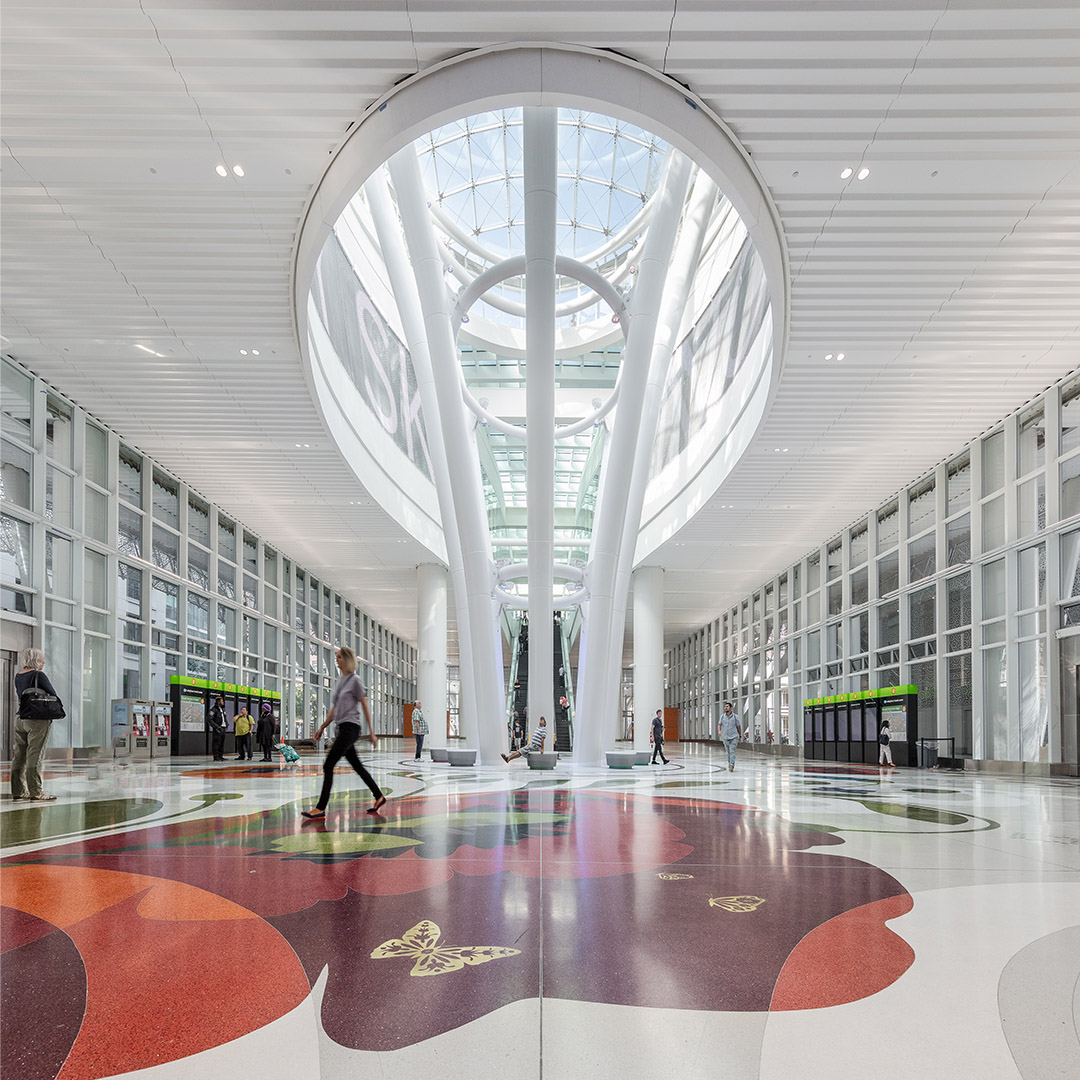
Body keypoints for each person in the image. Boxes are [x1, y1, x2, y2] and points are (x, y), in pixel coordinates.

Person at [302, 646, 385, 819]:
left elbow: (364, 705)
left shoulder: (355, 680)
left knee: (328, 764)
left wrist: (371, 731)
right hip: (341, 729)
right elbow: (335, 708)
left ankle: (320, 808)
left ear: (346, 659)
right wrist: (322, 726)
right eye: (336, 656)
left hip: (351, 728)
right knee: (358, 766)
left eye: (339, 657)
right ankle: (379, 796)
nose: (336, 659)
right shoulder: (339, 681)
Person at [11, 648, 61, 801]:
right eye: (42, 659)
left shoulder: (18, 675)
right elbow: (53, 694)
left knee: (19, 756)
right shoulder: (39, 675)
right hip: (37, 721)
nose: (44, 662)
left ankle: (18, 791)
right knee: (35, 755)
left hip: (20, 719)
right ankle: (36, 792)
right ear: (37, 660)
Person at [718, 701, 742, 772]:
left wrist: (740, 736)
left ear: (731, 708)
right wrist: (719, 731)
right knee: (728, 752)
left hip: (734, 737)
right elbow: (719, 724)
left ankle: (732, 764)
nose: (726, 708)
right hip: (725, 737)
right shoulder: (722, 717)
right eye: (725, 707)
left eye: (727, 706)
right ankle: (729, 762)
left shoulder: (735, 717)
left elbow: (738, 727)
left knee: (732, 751)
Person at [208, 694, 227, 761]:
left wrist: (226, 724)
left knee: (222, 743)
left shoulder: (222, 709)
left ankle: (220, 756)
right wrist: (216, 727)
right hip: (218, 728)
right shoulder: (213, 710)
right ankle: (216, 756)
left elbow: (224, 717)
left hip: (223, 728)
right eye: (222, 701)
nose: (223, 702)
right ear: (218, 702)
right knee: (216, 743)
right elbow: (209, 719)